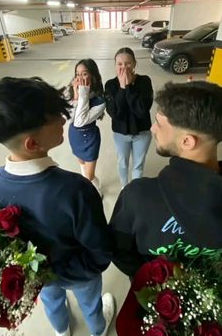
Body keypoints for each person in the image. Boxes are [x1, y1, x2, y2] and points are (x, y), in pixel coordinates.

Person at [0, 77, 115, 336]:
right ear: (33, 143)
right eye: (56, 117)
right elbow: (100, 252)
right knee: (91, 300)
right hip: (79, 273)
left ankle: (61, 330)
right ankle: (97, 330)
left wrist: (41, 273)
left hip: (38, 279)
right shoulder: (75, 190)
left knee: (50, 299)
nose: (63, 120)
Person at [109, 80, 222, 279]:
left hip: (158, 300)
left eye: (160, 123)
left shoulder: (138, 196)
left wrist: (153, 284)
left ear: (187, 141)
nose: (153, 128)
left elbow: (119, 251)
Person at [105, 47, 153, 188]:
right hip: (120, 133)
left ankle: (135, 191)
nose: (124, 67)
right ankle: (124, 188)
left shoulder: (144, 82)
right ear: (115, 66)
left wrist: (129, 87)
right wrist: (122, 88)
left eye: (128, 63)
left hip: (142, 133)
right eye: (120, 64)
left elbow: (141, 110)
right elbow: (114, 113)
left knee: (138, 164)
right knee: (122, 163)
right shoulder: (110, 85)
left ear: (134, 64)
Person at [67, 59, 105, 196]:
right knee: (82, 166)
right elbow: (70, 119)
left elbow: (80, 121)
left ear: (93, 76)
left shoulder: (100, 100)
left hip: (89, 138)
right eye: (77, 74)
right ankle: (94, 187)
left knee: (88, 176)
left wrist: (83, 93)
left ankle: (94, 188)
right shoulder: (74, 93)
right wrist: (76, 95)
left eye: (84, 74)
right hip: (75, 136)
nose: (79, 78)